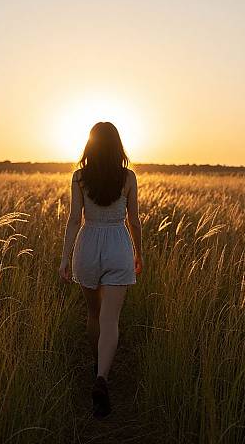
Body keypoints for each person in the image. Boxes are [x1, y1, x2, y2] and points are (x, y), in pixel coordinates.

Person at [58, 121, 143, 419]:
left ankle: (98, 369)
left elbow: (73, 220)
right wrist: (138, 253)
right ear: (117, 146)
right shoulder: (129, 177)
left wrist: (65, 258)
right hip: (119, 245)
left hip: (88, 245)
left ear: (90, 146)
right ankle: (102, 379)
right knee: (111, 319)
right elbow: (134, 220)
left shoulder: (79, 177)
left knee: (94, 315)